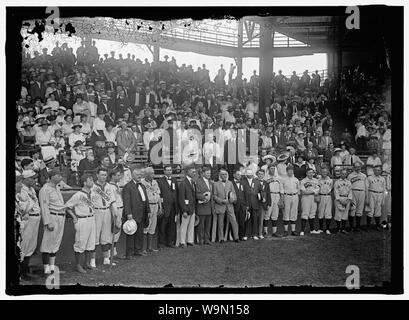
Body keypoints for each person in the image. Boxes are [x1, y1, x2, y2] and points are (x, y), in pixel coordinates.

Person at [64, 174, 96, 273]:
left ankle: (86, 263)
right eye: (89, 180)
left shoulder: (93, 193)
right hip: (82, 219)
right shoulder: (78, 195)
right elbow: (67, 207)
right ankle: (78, 265)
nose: (92, 181)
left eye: (92, 180)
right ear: (84, 183)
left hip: (91, 218)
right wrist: (74, 217)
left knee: (90, 243)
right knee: (80, 243)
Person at [39, 169, 66, 275]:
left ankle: (52, 267)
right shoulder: (45, 189)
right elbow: (44, 206)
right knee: (47, 242)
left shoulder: (56, 187)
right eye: (58, 175)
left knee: (56, 242)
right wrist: (48, 222)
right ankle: (46, 267)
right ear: (52, 176)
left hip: (60, 215)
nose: (60, 177)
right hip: (52, 216)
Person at [91, 167, 118, 266]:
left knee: (106, 236)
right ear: (97, 175)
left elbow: (112, 201)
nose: (103, 177)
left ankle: (106, 258)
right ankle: (92, 260)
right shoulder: (92, 186)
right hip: (97, 212)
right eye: (101, 175)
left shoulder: (109, 186)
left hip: (107, 211)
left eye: (105, 175)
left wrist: (115, 213)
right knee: (95, 236)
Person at [18, 170, 42, 280]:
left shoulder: (31, 189)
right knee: (25, 245)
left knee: (31, 245)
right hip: (28, 219)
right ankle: (21, 272)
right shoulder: (21, 190)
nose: (34, 180)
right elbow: (23, 209)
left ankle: (26, 269)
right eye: (32, 178)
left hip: (35, 218)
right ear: (26, 179)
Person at [122, 167, 150, 259]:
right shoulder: (128, 186)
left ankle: (138, 250)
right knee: (131, 234)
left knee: (139, 234)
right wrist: (128, 213)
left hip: (142, 213)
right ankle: (129, 253)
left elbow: (146, 200)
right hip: (132, 214)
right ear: (132, 176)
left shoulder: (142, 186)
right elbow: (126, 201)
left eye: (140, 175)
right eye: (137, 175)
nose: (139, 177)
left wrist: (148, 210)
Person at [213, 169, 240, 243]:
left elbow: (234, 193)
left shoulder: (230, 183)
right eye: (223, 174)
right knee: (220, 223)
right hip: (220, 206)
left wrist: (233, 199)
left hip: (229, 206)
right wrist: (221, 201)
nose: (224, 176)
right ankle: (221, 238)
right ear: (220, 175)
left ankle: (236, 237)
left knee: (234, 221)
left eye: (225, 174)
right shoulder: (216, 184)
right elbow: (214, 196)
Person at [141, 167, 162, 253]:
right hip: (148, 206)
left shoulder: (155, 182)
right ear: (146, 174)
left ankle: (150, 247)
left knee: (153, 226)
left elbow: (158, 195)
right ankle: (143, 248)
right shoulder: (142, 183)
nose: (153, 175)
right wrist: (147, 209)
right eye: (151, 173)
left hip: (155, 205)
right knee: (146, 226)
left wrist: (160, 207)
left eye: (153, 173)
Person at [157, 165, 178, 248]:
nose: (169, 172)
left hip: (173, 207)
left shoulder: (174, 180)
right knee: (162, 226)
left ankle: (170, 242)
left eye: (170, 170)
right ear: (164, 171)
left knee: (171, 225)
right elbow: (160, 194)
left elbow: (176, 193)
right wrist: (161, 206)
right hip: (165, 206)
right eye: (168, 170)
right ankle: (161, 243)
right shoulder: (160, 181)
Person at [178, 164, 197, 247]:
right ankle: (182, 242)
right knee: (184, 226)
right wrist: (184, 210)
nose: (194, 173)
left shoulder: (192, 182)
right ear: (187, 172)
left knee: (191, 226)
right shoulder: (183, 183)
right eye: (192, 171)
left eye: (194, 171)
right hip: (186, 208)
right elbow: (181, 198)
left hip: (192, 207)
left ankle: (190, 240)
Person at [241, 168, 263, 240]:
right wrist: (244, 203)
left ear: (252, 174)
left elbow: (262, 191)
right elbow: (241, 193)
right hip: (246, 203)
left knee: (255, 219)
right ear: (246, 175)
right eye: (248, 174)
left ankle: (255, 234)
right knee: (246, 220)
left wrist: (260, 196)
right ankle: (246, 234)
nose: (249, 176)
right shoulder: (243, 181)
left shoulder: (256, 181)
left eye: (250, 174)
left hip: (255, 203)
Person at [107, 168, 124, 257]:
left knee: (118, 232)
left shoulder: (116, 185)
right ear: (112, 176)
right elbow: (112, 202)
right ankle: (110, 253)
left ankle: (114, 251)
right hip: (115, 209)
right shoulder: (110, 187)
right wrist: (115, 214)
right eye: (117, 175)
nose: (119, 177)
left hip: (120, 208)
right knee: (113, 231)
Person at [195, 166, 214, 245]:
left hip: (209, 207)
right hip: (202, 207)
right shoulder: (198, 182)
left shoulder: (211, 182)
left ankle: (207, 239)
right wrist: (204, 198)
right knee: (201, 226)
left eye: (210, 173)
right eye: (207, 173)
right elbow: (196, 194)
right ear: (203, 174)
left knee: (208, 225)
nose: (209, 174)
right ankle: (201, 240)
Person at [299, 168, 320, 236]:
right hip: (306, 198)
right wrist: (313, 191)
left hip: (313, 198)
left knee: (312, 213)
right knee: (305, 213)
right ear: (306, 173)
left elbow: (318, 190)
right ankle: (302, 230)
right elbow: (303, 192)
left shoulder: (316, 180)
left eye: (312, 173)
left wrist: (310, 192)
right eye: (309, 173)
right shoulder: (303, 181)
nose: (311, 174)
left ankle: (312, 230)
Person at [347, 162, 367, 231]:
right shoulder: (350, 175)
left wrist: (366, 195)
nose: (358, 168)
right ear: (354, 167)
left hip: (362, 192)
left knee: (360, 210)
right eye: (356, 167)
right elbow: (348, 187)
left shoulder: (364, 176)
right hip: (353, 192)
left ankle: (358, 227)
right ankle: (351, 227)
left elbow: (366, 186)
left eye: (359, 167)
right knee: (352, 209)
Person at [264, 165, 283, 237]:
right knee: (267, 214)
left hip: (277, 195)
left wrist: (281, 198)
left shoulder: (278, 178)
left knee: (275, 214)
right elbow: (264, 186)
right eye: (271, 168)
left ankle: (274, 232)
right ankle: (265, 231)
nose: (273, 170)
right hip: (269, 195)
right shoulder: (266, 177)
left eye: (274, 169)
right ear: (268, 169)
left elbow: (281, 188)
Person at [280, 165, 300, 236]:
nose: (290, 172)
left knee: (294, 213)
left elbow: (298, 189)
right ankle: (285, 231)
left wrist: (297, 195)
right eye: (289, 170)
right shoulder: (283, 179)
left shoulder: (296, 179)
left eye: (292, 170)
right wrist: (282, 199)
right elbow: (281, 190)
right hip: (286, 196)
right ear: (287, 171)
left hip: (295, 196)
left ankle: (293, 230)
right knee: (286, 212)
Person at [365, 166, 386, 231]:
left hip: (380, 194)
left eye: (379, 170)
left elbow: (384, 189)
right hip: (371, 193)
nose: (377, 171)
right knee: (370, 210)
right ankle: (368, 227)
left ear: (380, 171)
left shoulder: (382, 179)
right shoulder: (369, 178)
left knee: (378, 211)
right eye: (376, 170)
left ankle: (377, 226)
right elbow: (366, 189)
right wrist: (367, 198)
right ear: (373, 171)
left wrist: (383, 199)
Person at [231, 168, 249, 241]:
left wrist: (247, 205)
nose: (239, 176)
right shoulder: (231, 183)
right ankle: (233, 236)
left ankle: (241, 236)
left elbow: (246, 194)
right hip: (234, 205)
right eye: (238, 174)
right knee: (234, 222)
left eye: (240, 175)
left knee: (242, 222)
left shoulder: (243, 183)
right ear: (234, 175)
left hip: (242, 206)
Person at [333, 169, 353, 234]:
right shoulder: (337, 182)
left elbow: (350, 191)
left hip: (347, 199)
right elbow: (335, 192)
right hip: (339, 199)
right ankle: (338, 229)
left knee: (345, 215)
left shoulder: (348, 182)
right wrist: (339, 200)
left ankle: (343, 229)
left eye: (345, 174)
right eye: (342, 174)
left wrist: (348, 199)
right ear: (340, 174)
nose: (344, 175)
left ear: (346, 174)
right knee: (338, 214)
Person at [317, 167, 333, 234]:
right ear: (321, 173)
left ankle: (327, 229)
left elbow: (332, 188)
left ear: (327, 173)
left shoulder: (331, 180)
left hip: (328, 196)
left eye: (325, 172)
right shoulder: (318, 180)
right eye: (323, 172)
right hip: (321, 196)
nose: (324, 173)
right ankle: (321, 229)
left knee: (328, 213)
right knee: (321, 212)